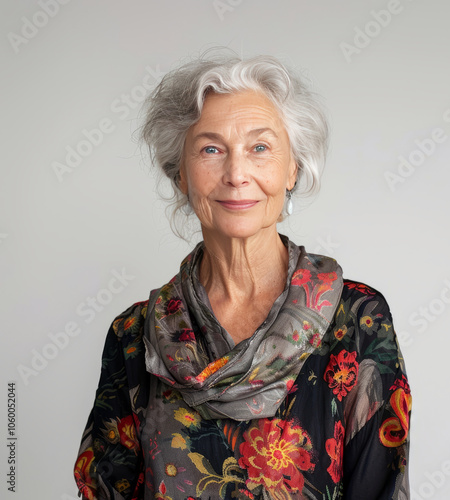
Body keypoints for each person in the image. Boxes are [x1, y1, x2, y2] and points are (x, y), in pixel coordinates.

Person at [74, 50, 411, 500]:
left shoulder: (357, 320)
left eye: (260, 148)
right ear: (181, 175)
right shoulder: (134, 336)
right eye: (211, 149)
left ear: (292, 168)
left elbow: (381, 489)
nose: (236, 174)